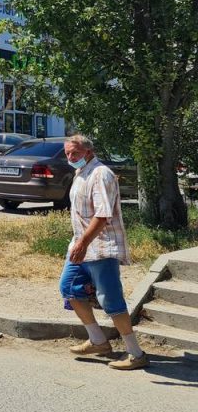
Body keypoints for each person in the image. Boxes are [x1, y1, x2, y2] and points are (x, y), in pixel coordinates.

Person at [59, 134, 148, 370]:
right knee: (69, 288)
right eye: (67, 153)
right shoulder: (82, 172)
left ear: (89, 152)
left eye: (75, 153)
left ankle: (136, 353)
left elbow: (103, 214)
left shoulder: (100, 174)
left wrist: (83, 243)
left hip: (101, 248)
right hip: (80, 246)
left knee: (111, 300)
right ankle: (98, 341)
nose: (71, 157)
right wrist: (78, 244)